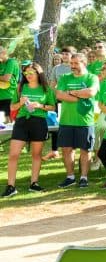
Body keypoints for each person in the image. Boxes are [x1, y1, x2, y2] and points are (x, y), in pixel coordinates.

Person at [3, 62, 56, 196]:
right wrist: (20, 103)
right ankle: (11, 186)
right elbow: (12, 107)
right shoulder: (20, 87)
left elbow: (52, 107)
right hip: (22, 122)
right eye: (26, 73)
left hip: (39, 122)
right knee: (13, 154)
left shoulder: (46, 89)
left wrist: (40, 105)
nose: (28, 75)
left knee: (36, 154)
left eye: (31, 73)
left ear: (38, 73)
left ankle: (34, 183)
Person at [55, 53, 99, 188]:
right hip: (66, 120)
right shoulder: (64, 77)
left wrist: (71, 92)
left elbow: (91, 93)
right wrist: (80, 96)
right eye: (71, 63)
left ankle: (84, 177)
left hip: (85, 121)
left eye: (76, 63)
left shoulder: (92, 77)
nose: (72, 66)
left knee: (85, 150)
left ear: (84, 63)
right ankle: (70, 177)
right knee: (67, 150)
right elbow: (59, 95)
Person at [0, 45, 20, 118]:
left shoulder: (11, 62)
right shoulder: (1, 63)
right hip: (1, 96)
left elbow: (6, 78)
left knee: (7, 121)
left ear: (4, 53)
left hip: (9, 97)